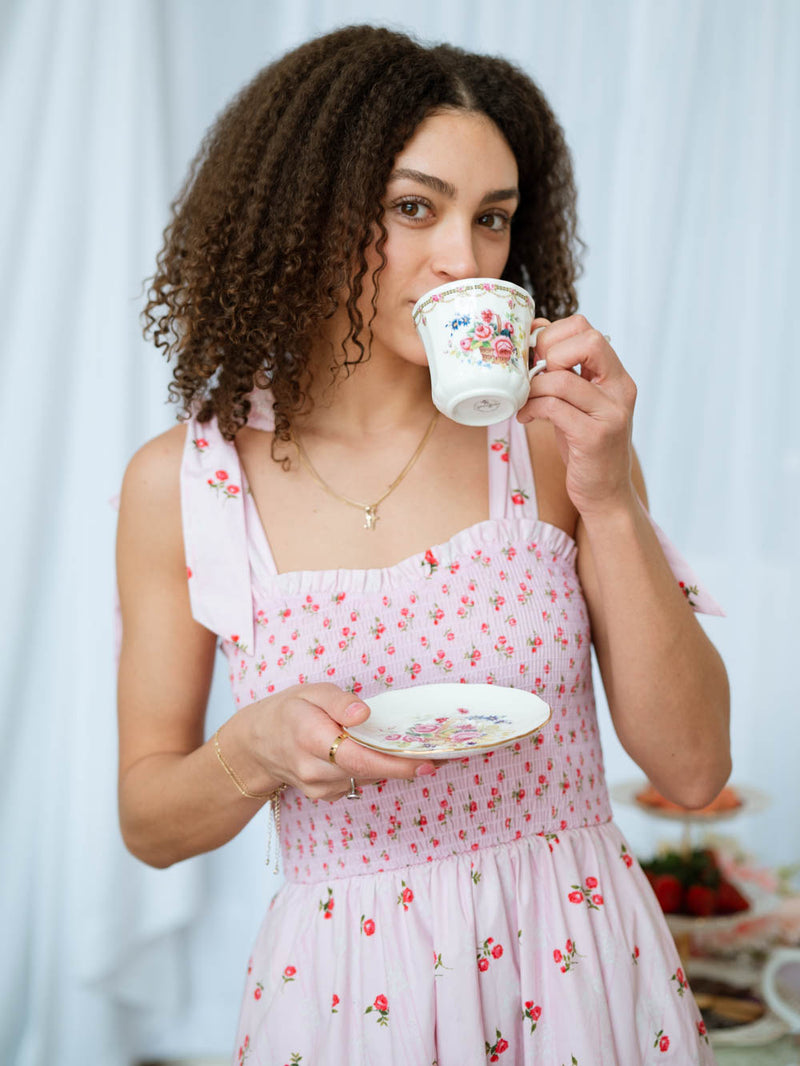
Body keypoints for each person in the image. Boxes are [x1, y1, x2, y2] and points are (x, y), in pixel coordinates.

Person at [116, 24, 730, 1066]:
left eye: (491, 218)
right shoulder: (185, 482)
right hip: (349, 1000)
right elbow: (150, 820)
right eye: (414, 207)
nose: (463, 258)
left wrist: (610, 500)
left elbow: (691, 768)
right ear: (299, 212)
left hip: (578, 974)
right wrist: (257, 749)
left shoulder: (555, 442)